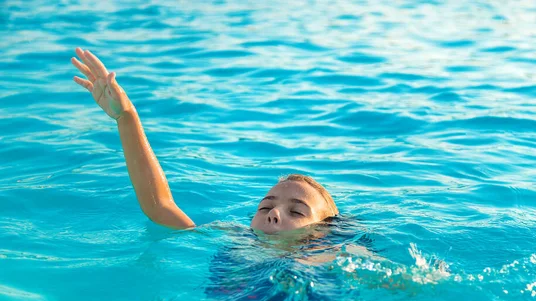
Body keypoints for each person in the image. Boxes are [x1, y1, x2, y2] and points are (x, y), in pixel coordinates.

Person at [71, 48, 338, 233]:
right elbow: (158, 206)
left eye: (297, 212)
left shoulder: (332, 259)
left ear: (323, 233)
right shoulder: (233, 240)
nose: (273, 214)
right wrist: (126, 117)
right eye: (265, 206)